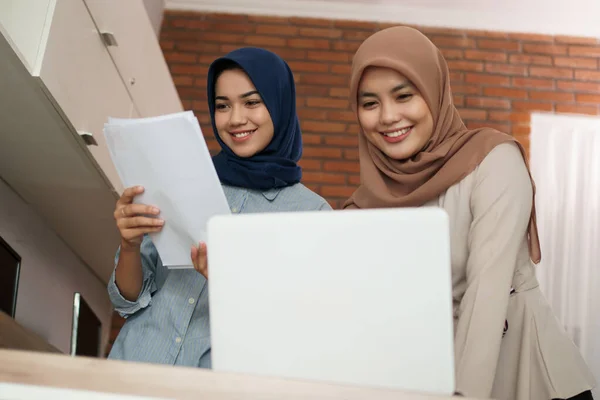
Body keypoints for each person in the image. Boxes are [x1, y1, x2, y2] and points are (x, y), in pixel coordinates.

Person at [343, 26, 596, 400]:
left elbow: (486, 290)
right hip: (432, 382)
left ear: (434, 90)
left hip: (526, 380)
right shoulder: (363, 206)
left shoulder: (493, 161)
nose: (388, 116)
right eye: (370, 103)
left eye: (404, 96)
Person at [107, 47, 331, 367]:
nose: (236, 119)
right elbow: (127, 302)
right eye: (223, 105)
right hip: (130, 370)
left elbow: (298, 335)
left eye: (252, 102)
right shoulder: (176, 180)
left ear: (280, 104)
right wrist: (129, 245)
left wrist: (232, 284)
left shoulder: (312, 215)